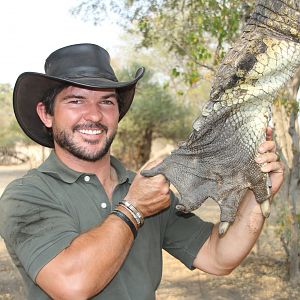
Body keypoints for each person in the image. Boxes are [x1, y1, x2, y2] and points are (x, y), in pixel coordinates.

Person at [0, 43, 284, 300]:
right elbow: (72, 284)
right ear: (46, 114)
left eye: (107, 101)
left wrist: (258, 193)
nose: (95, 115)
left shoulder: (144, 188)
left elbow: (218, 257)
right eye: (76, 100)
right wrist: (134, 209)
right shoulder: (26, 195)